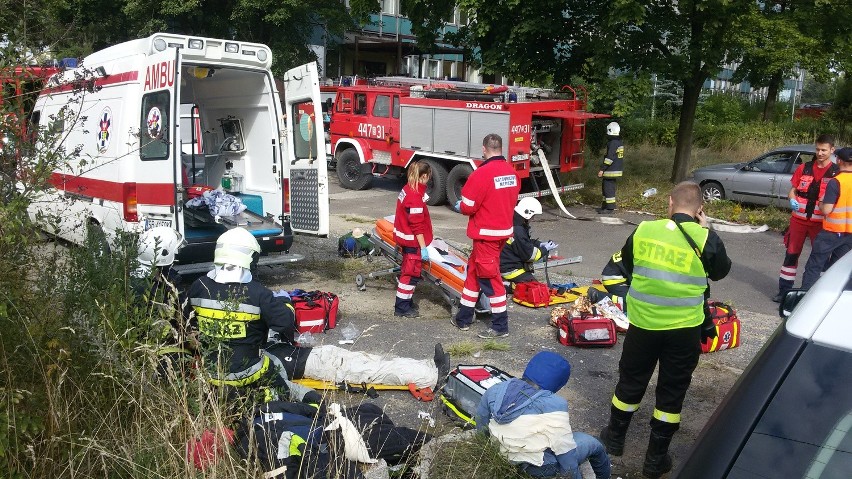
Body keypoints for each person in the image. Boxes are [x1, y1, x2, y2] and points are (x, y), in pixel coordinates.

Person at [599, 182, 731, 479]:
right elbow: (720, 272)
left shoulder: (645, 230)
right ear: (699, 209)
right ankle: (655, 460)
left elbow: (624, 267)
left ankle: (614, 440)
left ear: (669, 203)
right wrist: (706, 228)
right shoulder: (706, 237)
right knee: (671, 392)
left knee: (631, 382)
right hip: (685, 330)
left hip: (644, 324)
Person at [185, 227, 318, 403]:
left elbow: (187, 321)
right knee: (297, 393)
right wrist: (285, 303)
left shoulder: (199, 286)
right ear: (249, 258)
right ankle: (275, 398)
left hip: (211, 373)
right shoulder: (258, 293)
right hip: (248, 373)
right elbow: (285, 322)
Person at [476, 351, 611, 479]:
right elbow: (565, 454)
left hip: (499, 456)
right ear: (559, 382)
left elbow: (481, 424)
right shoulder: (555, 405)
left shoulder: (498, 388)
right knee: (594, 444)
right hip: (536, 468)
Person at [453, 133, 521, 339]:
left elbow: (469, 206)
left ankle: (500, 325)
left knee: (491, 281)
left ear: (484, 149)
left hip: (486, 235)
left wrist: (460, 206)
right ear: (501, 148)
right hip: (502, 233)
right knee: (473, 274)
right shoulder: (511, 172)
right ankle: (463, 318)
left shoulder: (481, 174)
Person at [773, 134, 838, 302]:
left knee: (820, 259)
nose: (820, 153)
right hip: (798, 221)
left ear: (832, 150)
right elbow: (793, 190)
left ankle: (813, 292)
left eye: (824, 150)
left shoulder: (836, 173)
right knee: (791, 254)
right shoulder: (804, 168)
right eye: (817, 149)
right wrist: (792, 199)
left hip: (821, 224)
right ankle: (784, 292)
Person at [265, 341, 451, 391]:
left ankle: (429, 365)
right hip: (317, 365)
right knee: (376, 371)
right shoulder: (259, 365)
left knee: (377, 362)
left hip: (319, 354)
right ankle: (433, 377)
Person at [801, 147, 852, 289]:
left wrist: (821, 202)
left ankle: (804, 297)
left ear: (839, 160)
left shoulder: (836, 182)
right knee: (839, 269)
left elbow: (826, 210)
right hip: (850, 235)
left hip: (831, 232)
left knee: (814, 266)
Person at [393, 160, 433, 317]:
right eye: (428, 177)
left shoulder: (407, 189)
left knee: (408, 272)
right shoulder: (415, 196)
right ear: (423, 176)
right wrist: (423, 247)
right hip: (413, 242)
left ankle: (406, 303)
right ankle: (401, 307)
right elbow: (417, 225)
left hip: (406, 238)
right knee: (410, 275)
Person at [500, 197, 558, 288]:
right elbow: (530, 255)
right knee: (533, 287)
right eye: (533, 215)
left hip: (507, 262)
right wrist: (545, 249)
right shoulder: (518, 229)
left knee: (533, 285)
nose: (533, 219)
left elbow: (523, 243)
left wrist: (539, 244)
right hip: (510, 268)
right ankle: (505, 285)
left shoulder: (515, 222)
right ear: (527, 213)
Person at [596, 122, 624, 214]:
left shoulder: (612, 143)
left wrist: (602, 169)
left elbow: (609, 158)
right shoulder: (619, 142)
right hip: (615, 169)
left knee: (608, 189)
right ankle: (605, 206)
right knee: (606, 188)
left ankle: (610, 208)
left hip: (610, 170)